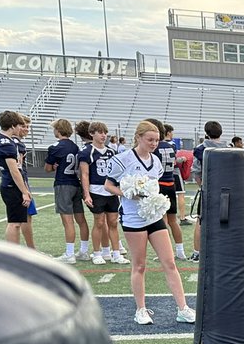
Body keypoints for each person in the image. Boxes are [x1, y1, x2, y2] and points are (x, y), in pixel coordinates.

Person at [105, 120, 195, 326]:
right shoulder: (123, 159)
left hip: (153, 217)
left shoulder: (155, 161)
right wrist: (128, 192)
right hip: (133, 218)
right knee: (139, 265)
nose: (154, 143)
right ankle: (141, 310)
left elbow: (153, 187)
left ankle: (183, 308)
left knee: (170, 262)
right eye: (150, 139)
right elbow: (108, 185)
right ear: (138, 138)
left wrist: (153, 199)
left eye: (156, 140)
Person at [78, 121, 128, 265]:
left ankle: (116, 252)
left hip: (110, 191)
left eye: (105, 133)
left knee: (113, 222)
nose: (103, 135)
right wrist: (86, 194)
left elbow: (117, 172)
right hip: (96, 190)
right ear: (92, 134)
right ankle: (97, 252)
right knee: (99, 222)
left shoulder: (111, 151)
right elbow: (85, 175)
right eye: (100, 132)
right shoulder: (86, 152)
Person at [44, 117, 88, 263]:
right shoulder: (76, 147)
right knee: (81, 220)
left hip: (63, 184)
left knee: (67, 221)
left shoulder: (55, 147)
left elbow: (47, 168)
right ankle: (84, 250)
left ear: (58, 130)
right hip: (76, 183)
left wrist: (54, 166)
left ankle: (69, 254)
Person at [0, 111, 34, 250]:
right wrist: (24, 191)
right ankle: (14, 254)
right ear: (12, 125)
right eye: (19, 125)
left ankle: (16, 252)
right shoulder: (6, 143)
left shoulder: (7, 140)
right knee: (14, 223)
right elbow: (14, 170)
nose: (21, 128)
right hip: (11, 185)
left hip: (12, 185)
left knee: (17, 221)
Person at [190, 120, 227, 262]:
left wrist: (202, 186)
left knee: (201, 221)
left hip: (208, 189)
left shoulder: (201, 149)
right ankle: (221, 251)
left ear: (206, 133)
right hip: (225, 191)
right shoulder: (228, 147)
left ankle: (197, 252)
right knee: (224, 220)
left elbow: (196, 171)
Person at [151, 120, 187, 262]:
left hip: (159, 183)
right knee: (173, 220)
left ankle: (167, 252)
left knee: (163, 220)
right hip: (170, 183)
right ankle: (180, 251)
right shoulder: (170, 147)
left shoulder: (155, 146)